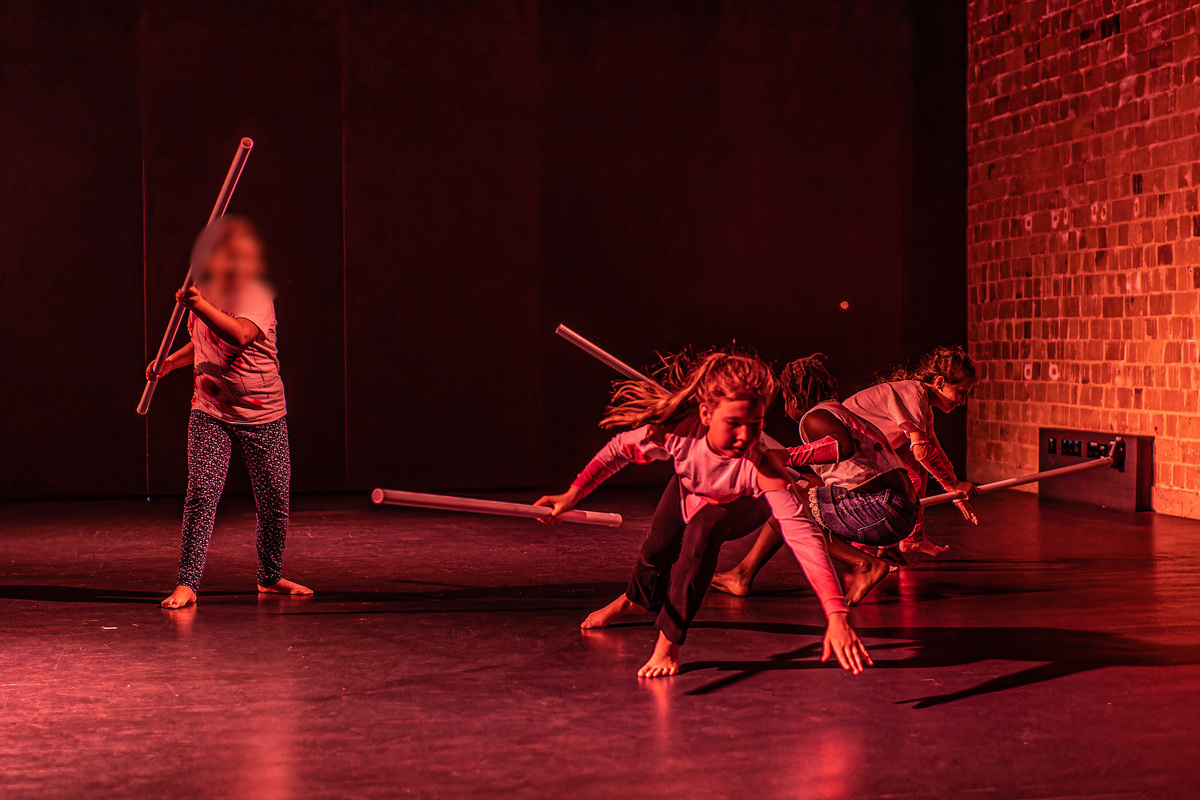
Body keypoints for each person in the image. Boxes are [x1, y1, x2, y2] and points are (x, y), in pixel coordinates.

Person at [534, 350, 871, 678]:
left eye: (755, 424)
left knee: (700, 537)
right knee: (659, 545)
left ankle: (668, 645)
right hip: (692, 488)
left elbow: (804, 538)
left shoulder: (762, 467)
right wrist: (573, 493)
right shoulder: (679, 433)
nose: (744, 436)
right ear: (706, 414)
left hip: (738, 504)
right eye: (733, 423)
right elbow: (618, 449)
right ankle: (636, 599)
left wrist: (836, 614)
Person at [146, 217, 311, 609]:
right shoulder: (204, 294)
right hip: (210, 411)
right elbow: (204, 341)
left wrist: (198, 305)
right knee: (201, 494)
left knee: (274, 499)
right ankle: (187, 583)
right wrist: (169, 363)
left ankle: (269, 577)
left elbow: (238, 335)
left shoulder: (255, 296)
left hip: (262, 415)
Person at [711, 354, 922, 602]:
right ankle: (743, 574)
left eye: (786, 400)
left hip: (882, 509)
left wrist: (785, 456)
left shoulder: (815, 416)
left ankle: (863, 564)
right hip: (900, 512)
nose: (786, 409)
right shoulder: (839, 413)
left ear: (794, 397)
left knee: (789, 506)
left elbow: (842, 446)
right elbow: (851, 476)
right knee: (791, 500)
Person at [843, 345, 979, 556]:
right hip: (848, 453)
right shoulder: (914, 395)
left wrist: (954, 489)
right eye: (961, 393)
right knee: (904, 482)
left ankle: (913, 538)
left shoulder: (924, 406)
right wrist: (952, 485)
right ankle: (864, 552)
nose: (962, 401)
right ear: (940, 382)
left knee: (917, 470)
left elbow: (933, 449)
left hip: (869, 449)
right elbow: (922, 451)